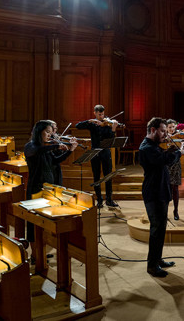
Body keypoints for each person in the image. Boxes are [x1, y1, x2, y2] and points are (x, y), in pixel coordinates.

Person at [139, 117, 184, 277]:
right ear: (153, 130)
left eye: (166, 131)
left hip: (160, 191)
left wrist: (177, 148)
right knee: (156, 229)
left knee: (161, 228)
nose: (165, 135)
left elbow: (163, 155)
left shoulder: (153, 145)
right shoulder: (147, 148)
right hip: (154, 193)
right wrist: (179, 152)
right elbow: (163, 160)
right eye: (162, 131)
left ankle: (158, 259)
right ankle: (152, 266)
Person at [24, 120, 77, 257]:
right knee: (33, 224)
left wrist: (70, 150)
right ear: (39, 132)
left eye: (50, 131)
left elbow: (55, 161)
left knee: (44, 222)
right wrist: (55, 146)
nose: (50, 134)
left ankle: (41, 252)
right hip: (36, 189)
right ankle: (35, 255)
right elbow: (36, 151)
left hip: (47, 190)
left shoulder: (47, 147)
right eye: (47, 132)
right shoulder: (31, 146)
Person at [76, 105, 119, 208]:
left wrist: (113, 129)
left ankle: (109, 200)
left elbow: (110, 138)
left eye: (103, 114)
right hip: (95, 153)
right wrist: (89, 121)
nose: (101, 116)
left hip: (105, 152)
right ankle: (99, 200)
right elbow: (78, 125)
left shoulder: (107, 123)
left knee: (108, 176)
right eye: (99, 114)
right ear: (95, 113)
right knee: (96, 177)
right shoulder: (92, 124)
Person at [166, 119, 184, 220]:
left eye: (173, 127)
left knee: (175, 189)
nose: (171, 129)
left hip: (175, 164)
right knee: (166, 189)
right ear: (166, 128)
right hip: (166, 164)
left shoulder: (179, 136)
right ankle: (164, 211)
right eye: (169, 127)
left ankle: (176, 210)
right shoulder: (164, 137)